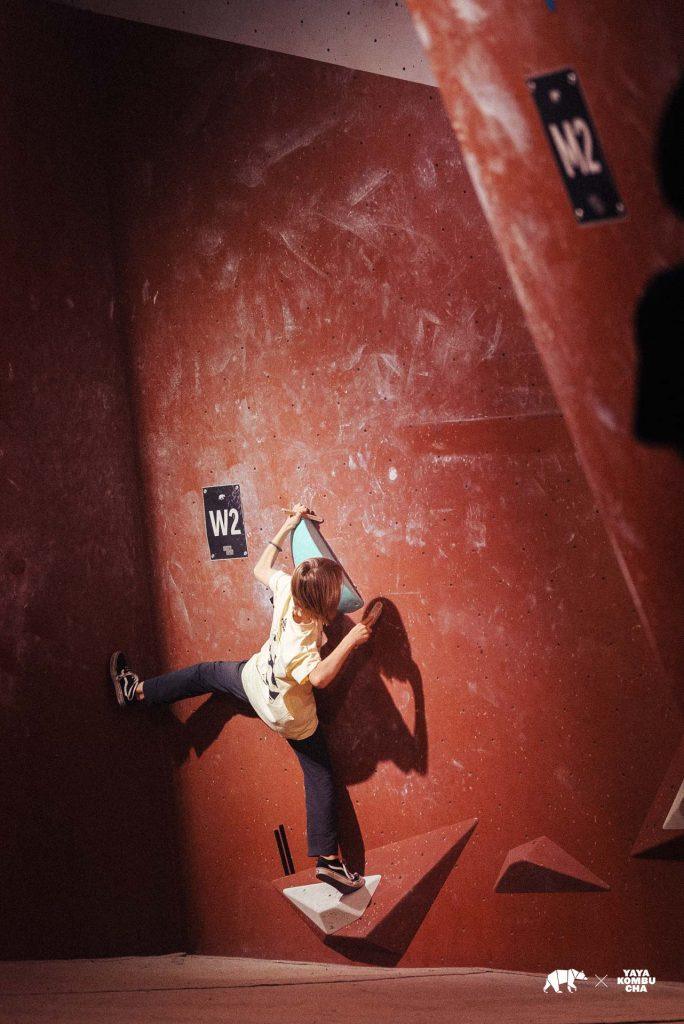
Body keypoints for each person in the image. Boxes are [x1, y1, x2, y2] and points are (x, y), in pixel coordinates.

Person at [109, 502, 376, 893]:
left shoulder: (287, 588)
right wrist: (350, 640)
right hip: (287, 715)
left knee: (205, 674)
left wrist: (289, 525)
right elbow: (319, 678)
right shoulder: (303, 646)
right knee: (319, 775)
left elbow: (261, 567)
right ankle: (328, 862)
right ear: (324, 604)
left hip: (253, 681)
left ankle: (137, 691)